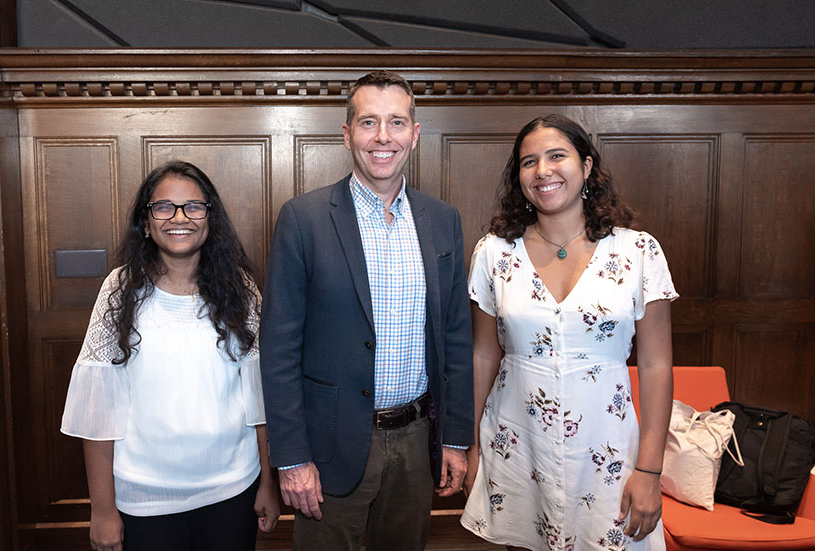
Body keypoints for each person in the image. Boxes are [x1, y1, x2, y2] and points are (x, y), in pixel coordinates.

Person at [259, 70, 474, 551]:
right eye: (368, 123)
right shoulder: (304, 218)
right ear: (347, 134)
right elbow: (277, 352)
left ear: (414, 135)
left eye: (397, 123)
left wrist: (456, 440)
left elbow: (456, 337)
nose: (383, 137)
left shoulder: (442, 220)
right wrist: (291, 457)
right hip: (330, 446)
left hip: (417, 443)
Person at [460, 114, 677, 550]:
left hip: (608, 451)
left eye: (557, 156)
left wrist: (650, 471)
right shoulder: (493, 253)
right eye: (528, 161)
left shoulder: (638, 251)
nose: (543, 171)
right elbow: (484, 355)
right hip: (516, 444)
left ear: (587, 166)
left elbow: (655, 365)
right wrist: (472, 450)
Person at [60, 161, 279, 551]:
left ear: (211, 219)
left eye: (194, 207)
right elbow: (98, 411)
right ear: (146, 221)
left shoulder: (240, 289)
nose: (180, 218)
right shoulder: (119, 290)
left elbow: (260, 399)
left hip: (231, 489)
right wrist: (103, 509)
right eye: (164, 207)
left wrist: (267, 482)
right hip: (144, 498)